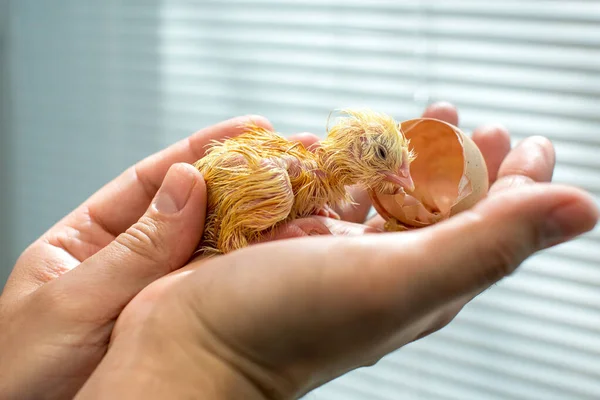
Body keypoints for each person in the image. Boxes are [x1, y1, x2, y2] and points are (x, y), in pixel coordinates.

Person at [0, 103, 597, 399]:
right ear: (361, 156)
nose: (403, 182)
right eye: (391, 165)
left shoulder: (316, 187)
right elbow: (227, 240)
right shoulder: (280, 179)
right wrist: (203, 349)